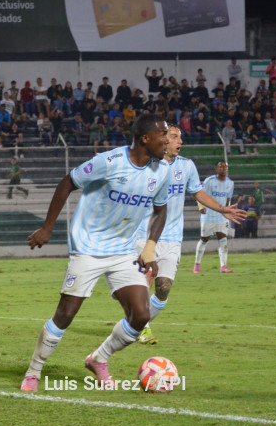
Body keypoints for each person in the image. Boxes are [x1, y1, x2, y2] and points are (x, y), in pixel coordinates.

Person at [20, 113, 171, 392]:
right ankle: (34, 370)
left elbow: (161, 211)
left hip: (123, 251)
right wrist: (47, 227)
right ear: (145, 139)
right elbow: (67, 183)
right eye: (163, 135)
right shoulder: (109, 162)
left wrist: (149, 249)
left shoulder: (162, 170)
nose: (168, 141)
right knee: (66, 314)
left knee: (141, 315)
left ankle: (99, 358)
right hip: (88, 248)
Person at [134, 126, 245, 345]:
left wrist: (222, 209)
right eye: (175, 137)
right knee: (146, 279)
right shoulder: (147, 164)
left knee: (164, 288)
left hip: (173, 236)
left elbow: (198, 192)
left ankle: (134, 322)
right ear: (163, 140)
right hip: (145, 234)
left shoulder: (186, 166)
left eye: (181, 137)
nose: (180, 141)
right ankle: (142, 328)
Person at [193, 160, 235, 274]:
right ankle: (197, 264)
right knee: (204, 239)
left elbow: (228, 200)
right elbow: (199, 195)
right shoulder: (209, 181)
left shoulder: (230, 183)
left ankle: (223, 266)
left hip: (221, 216)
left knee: (223, 239)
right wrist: (200, 206)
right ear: (216, 169)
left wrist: (228, 211)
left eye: (225, 167)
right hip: (208, 215)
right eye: (221, 167)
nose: (224, 169)